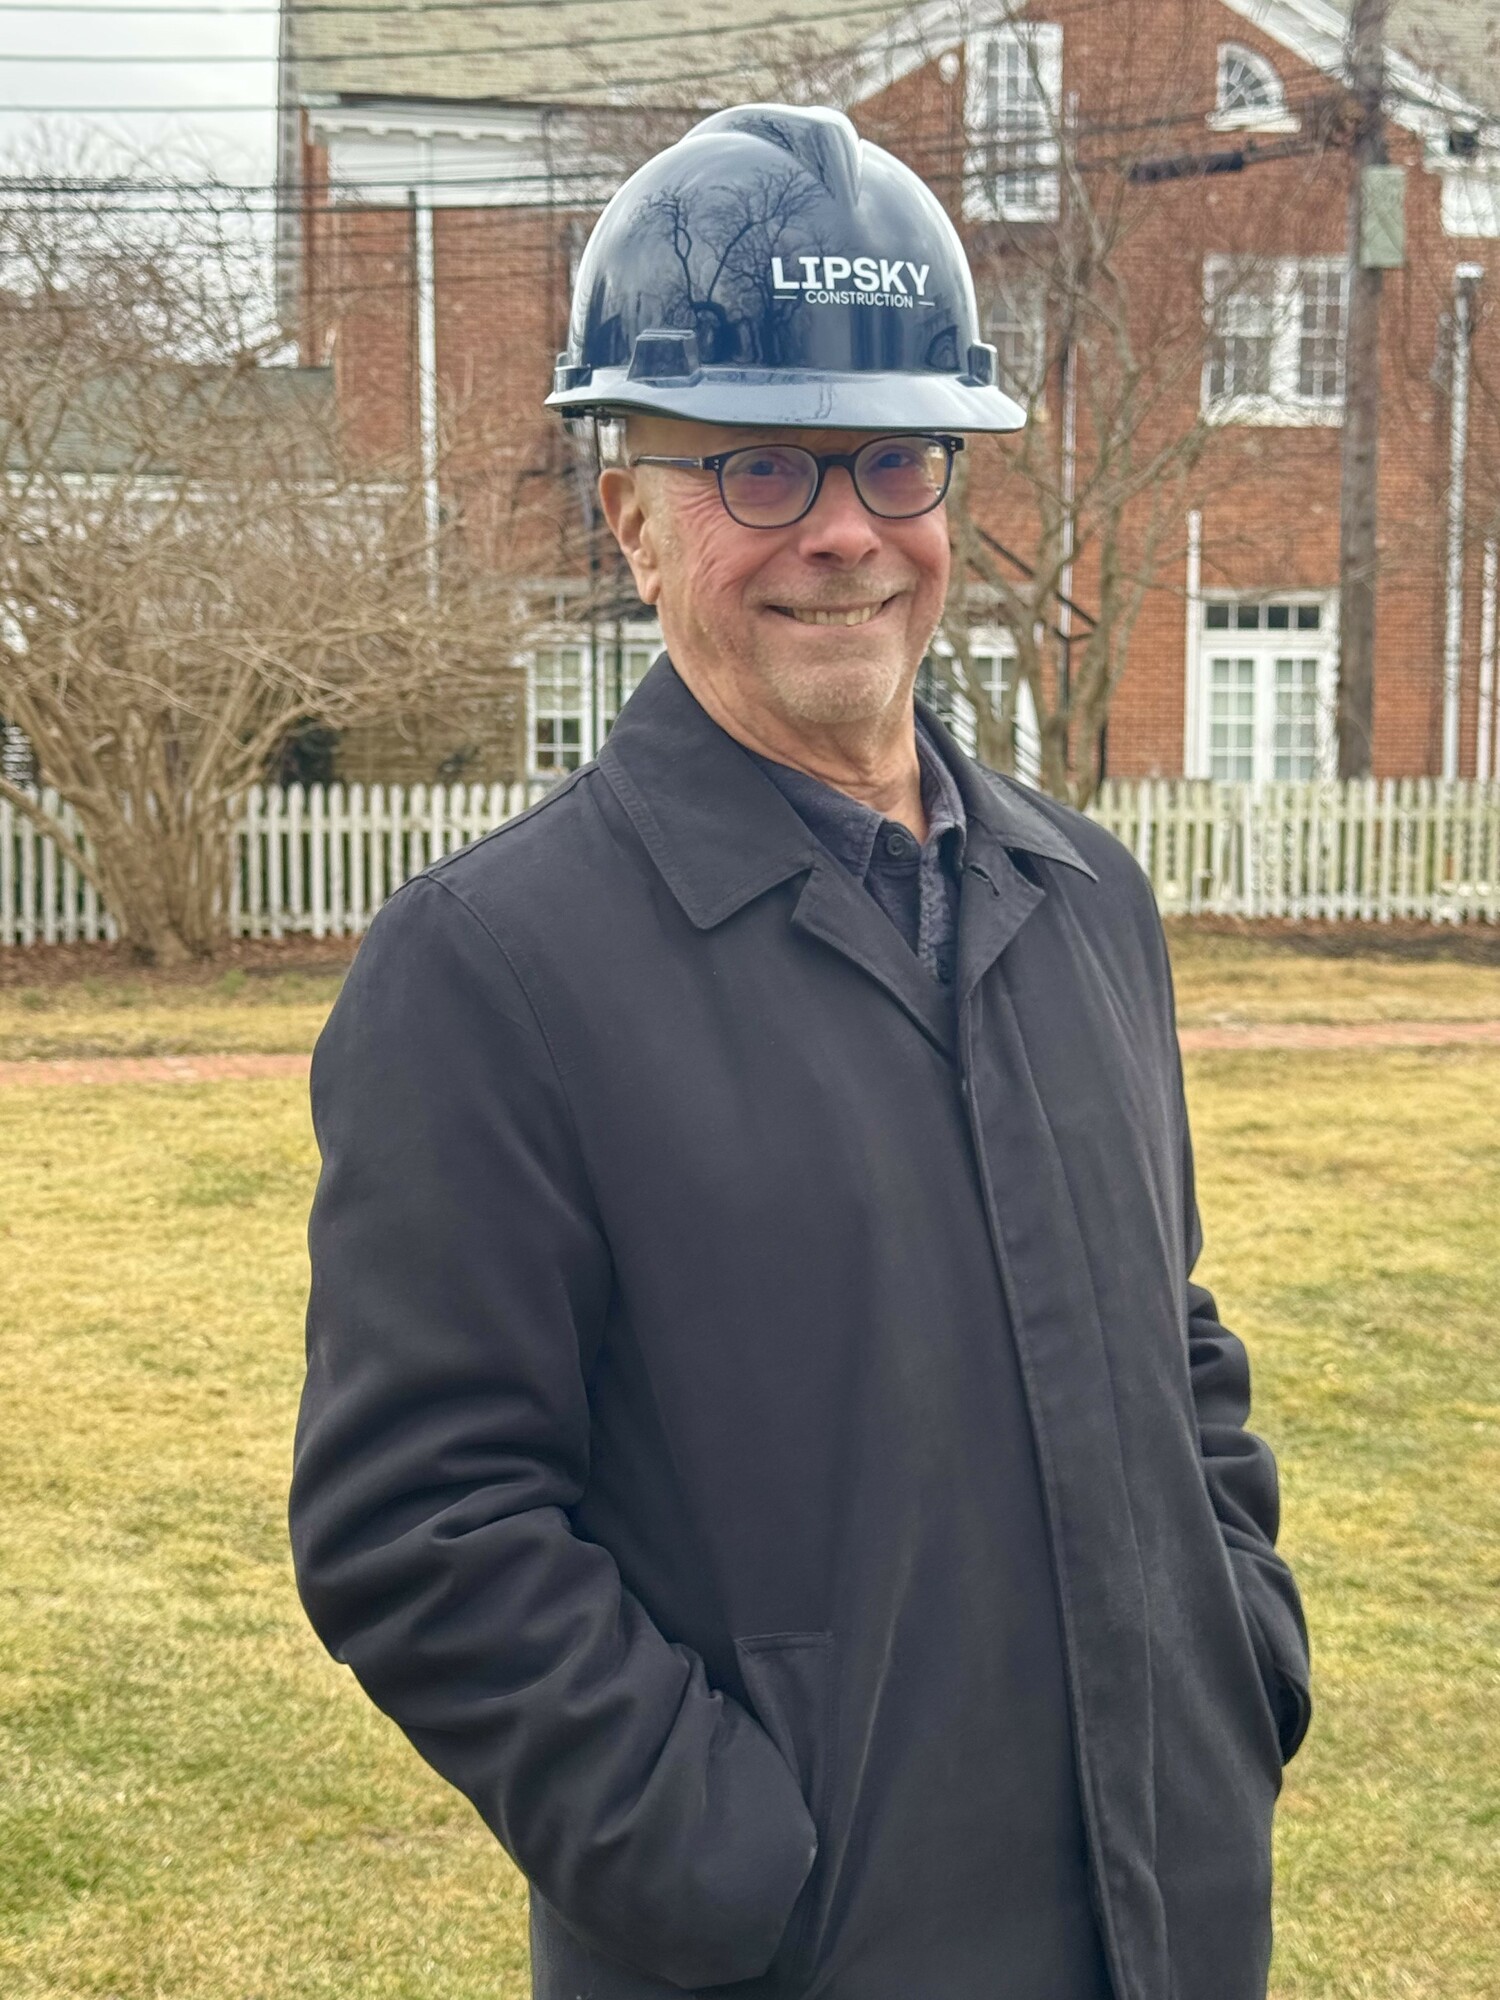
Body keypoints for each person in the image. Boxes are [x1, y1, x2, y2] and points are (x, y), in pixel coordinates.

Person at [289, 104, 1311, 2000]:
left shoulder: (1084, 897)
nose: (845, 530)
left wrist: (1236, 1651)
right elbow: (422, 1522)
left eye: (896, 458)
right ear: (634, 514)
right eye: (758, 465)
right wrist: (731, 1867)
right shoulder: (491, 973)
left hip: (1172, 1923)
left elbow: (1170, 1332)